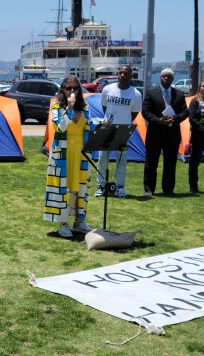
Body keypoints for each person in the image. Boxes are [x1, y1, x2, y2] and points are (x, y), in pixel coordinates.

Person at [44, 75, 93, 238]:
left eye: (75, 88)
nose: (72, 91)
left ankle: (79, 221)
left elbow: (89, 128)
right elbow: (60, 128)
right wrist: (70, 109)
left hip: (81, 155)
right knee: (63, 188)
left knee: (80, 187)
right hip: (63, 155)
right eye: (68, 88)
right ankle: (62, 223)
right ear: (63, 90)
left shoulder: (86, 107)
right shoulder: (57, 107)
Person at [95, 65, 142, 198]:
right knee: (103, 158)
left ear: (131, 76)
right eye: (120, 73)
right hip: (107, 127)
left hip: (123, 130)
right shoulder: (108, 89)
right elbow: (104, 108)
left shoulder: (136, 94)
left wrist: (123, 122)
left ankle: (120, 186)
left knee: (121, 159)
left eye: (125, 73)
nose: (122, 75)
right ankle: (101, 185)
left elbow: (134, 114)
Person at [141, 68, 189, 196]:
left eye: (168, 77)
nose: (166, 78)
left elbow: (185, 112)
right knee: (151, 163)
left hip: (172, 134)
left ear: (172, 79)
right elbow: (145, 112)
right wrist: (158, 120)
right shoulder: (151, 93)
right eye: (164, 76)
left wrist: (174, 118)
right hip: (155, 133)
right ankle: (149, 189)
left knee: (170, 163)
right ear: (160, 78)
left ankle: (168, 189)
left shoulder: (179, 94)